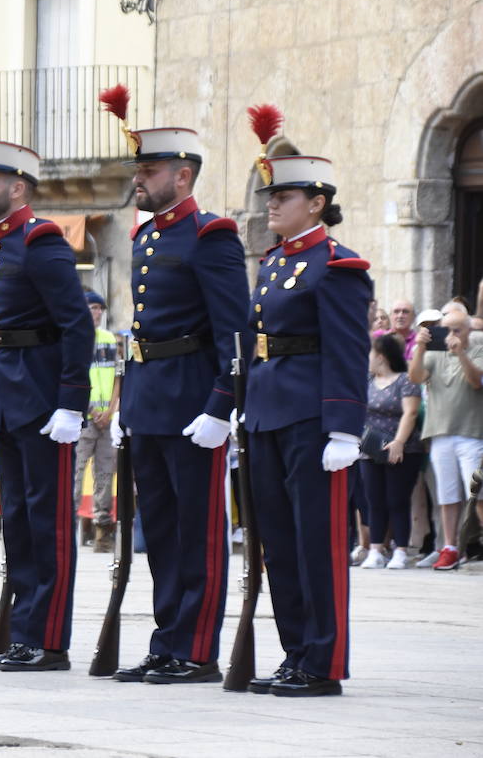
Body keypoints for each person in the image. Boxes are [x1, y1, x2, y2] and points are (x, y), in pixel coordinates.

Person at [98, 102, 250, 686]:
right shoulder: (147, 239)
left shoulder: (210, 236)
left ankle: (197, 649)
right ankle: (167, 641)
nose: (139, 178)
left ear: (182, 174)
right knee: (158, 532)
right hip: (150, 400)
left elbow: (231, 331)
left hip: (192, 402)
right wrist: (126, 405)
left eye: (151, 169)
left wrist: (221, 405)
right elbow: (141, 330)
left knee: (198, 532)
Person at [243, 115, 372, 697]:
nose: (272, 204)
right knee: (279, 541)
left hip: (313, 420)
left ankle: (324, 661)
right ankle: (295, 651)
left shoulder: (338, 266)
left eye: (285, 196)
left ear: (316, 203)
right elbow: (255, 345)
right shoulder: (273, 264)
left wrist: (344, 429)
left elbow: (348, 350)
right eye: (270, 194)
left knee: (316, 542)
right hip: (268, 413)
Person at [0, 106, 91, 674]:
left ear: (17, 187)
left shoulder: (41, 241)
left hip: (42, 399)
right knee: (16, 518)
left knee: (47, 521)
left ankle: (48, 640)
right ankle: (24, 632)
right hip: (10, 398)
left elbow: (76, 324)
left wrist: (70, 401)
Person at [408, 303, 483, 571]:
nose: (451, 334)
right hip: (441, 433)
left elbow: (476, 381)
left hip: (471, 433)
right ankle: (450, 547)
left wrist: (461, 353)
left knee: (477, 494)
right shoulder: (433, 352)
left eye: (457, 330)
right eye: (447, 329)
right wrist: (419, 346)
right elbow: (415, 376)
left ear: (467, 331)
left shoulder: (478, 347)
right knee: (448, 495)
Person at [359, 334, 424, 569]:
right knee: (373, 499)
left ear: (381, 356)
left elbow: (410, 413)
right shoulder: (366, 380)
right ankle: (375, 549)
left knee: (397, 499)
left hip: (403, 449)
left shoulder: (405, 380)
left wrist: (398, 442)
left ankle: (401, 550)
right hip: (370, 449)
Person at [74, 291, 119, 555]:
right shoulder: (77, 338)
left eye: (100, 308)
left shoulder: (109, 339)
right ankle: (70, 526)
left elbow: (117, 377)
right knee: (75, 473)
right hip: (85, 416)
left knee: (104, 474)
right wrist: (92, 410)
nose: (97, 313)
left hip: (106, 417)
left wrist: (110, 410)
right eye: (92, 308)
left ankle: (103, 530)